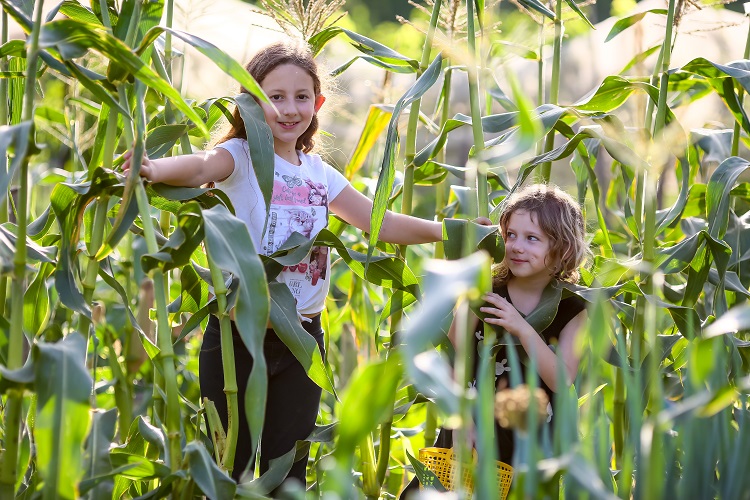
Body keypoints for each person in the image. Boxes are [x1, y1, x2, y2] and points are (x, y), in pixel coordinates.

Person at [123, 39, 463, 489]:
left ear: (317, 103)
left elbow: (379, 223)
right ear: (248, 103)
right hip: (236, 341)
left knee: (289, 478)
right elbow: (203, 163)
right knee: (231, 471)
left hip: (303, 341)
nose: (289, 108)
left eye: (301, 97)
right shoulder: (241, 159)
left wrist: (451, 230)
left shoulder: (319, 172)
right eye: (274, 97)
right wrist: (154, 169)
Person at [400, 184, 588, 497]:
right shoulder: (486, 288)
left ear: (563, 248)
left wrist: (522, 328)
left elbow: (562, 378)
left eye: (532, 239)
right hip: (469, 427)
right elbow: (454, 353)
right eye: (510, 234)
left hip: (528, 440)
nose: (516, 246)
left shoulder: (573, 308)